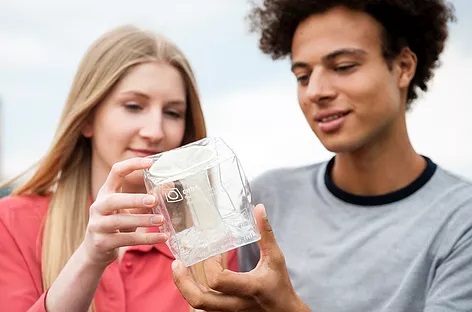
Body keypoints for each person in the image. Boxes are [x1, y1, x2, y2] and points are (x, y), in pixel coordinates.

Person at [171, 1, 472, 311]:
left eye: (343, 67)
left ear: (404, 67)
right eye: (303, 76)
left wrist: (284, 306)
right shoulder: (268, 201)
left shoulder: (462, 220)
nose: (315, 91)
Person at [0, 25, 237, 312]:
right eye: (134, 106)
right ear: (87, 119)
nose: (155, 131)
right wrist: (89, 257)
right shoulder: (11, 224)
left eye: (172, 113)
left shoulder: (212, 243)